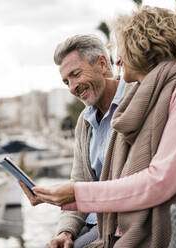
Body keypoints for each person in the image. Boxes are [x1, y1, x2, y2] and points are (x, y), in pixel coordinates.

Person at [30, 6, 176, 248]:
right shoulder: (140, 104)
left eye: (122, 51)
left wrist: (77, 194)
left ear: (144, 47)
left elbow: (160, 181)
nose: (118, 61)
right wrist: (67, 229)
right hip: (124, 224)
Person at [19, 34, 127, 248]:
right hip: (91, 224)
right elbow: (79, 181)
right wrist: (66, 232)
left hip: (117, 226)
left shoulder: (134, 103)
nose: (71, 87)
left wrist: (74, 193)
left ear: (103, 64)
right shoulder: (84, 121)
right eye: (66, 81)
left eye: (75, 75)